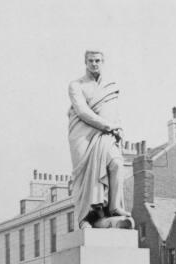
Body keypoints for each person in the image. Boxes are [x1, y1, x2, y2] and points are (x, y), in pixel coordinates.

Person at [68, 49, 130, 229]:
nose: (94, 64)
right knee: (85, 176)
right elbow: (82, 111)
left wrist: (118, 130)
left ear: (103, 62)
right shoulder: (76, 85)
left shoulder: (111, 86)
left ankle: (114, 207)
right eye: (91, 60)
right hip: (83, 136)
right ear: (85, 62)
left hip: (105, 136)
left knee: (116, 163)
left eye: (97, 60)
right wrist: (107, 126)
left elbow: (115, 113)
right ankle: (85, 219)